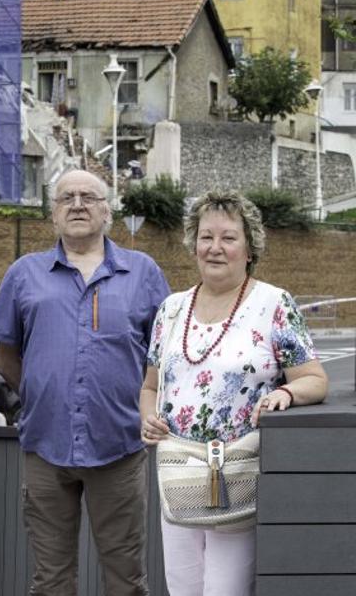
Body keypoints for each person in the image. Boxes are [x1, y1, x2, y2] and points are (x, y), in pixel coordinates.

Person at [0, 169, 170, 596]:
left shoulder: (142, 272)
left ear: (108, 211)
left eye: (89, 196)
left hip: (119, 446)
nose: (78, 204)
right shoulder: (24, 274)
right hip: (46, 446)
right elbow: (7, 357)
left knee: (126, 577)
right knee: (50, 579)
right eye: (66, 197)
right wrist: (44, 395)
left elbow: (163, 356)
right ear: (53, 214)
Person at [140, 190, 328, 596]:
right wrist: (147, 417)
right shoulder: (170, 309)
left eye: (228, 237)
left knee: (225, 591)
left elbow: (314, 378)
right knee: (182, 589)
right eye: (206, 237)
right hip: (179, 474)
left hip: (240, 473)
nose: (215, 248)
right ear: (193, 245)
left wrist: (289, 395)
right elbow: (151, 385)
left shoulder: (274, 304)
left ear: (249, 248)